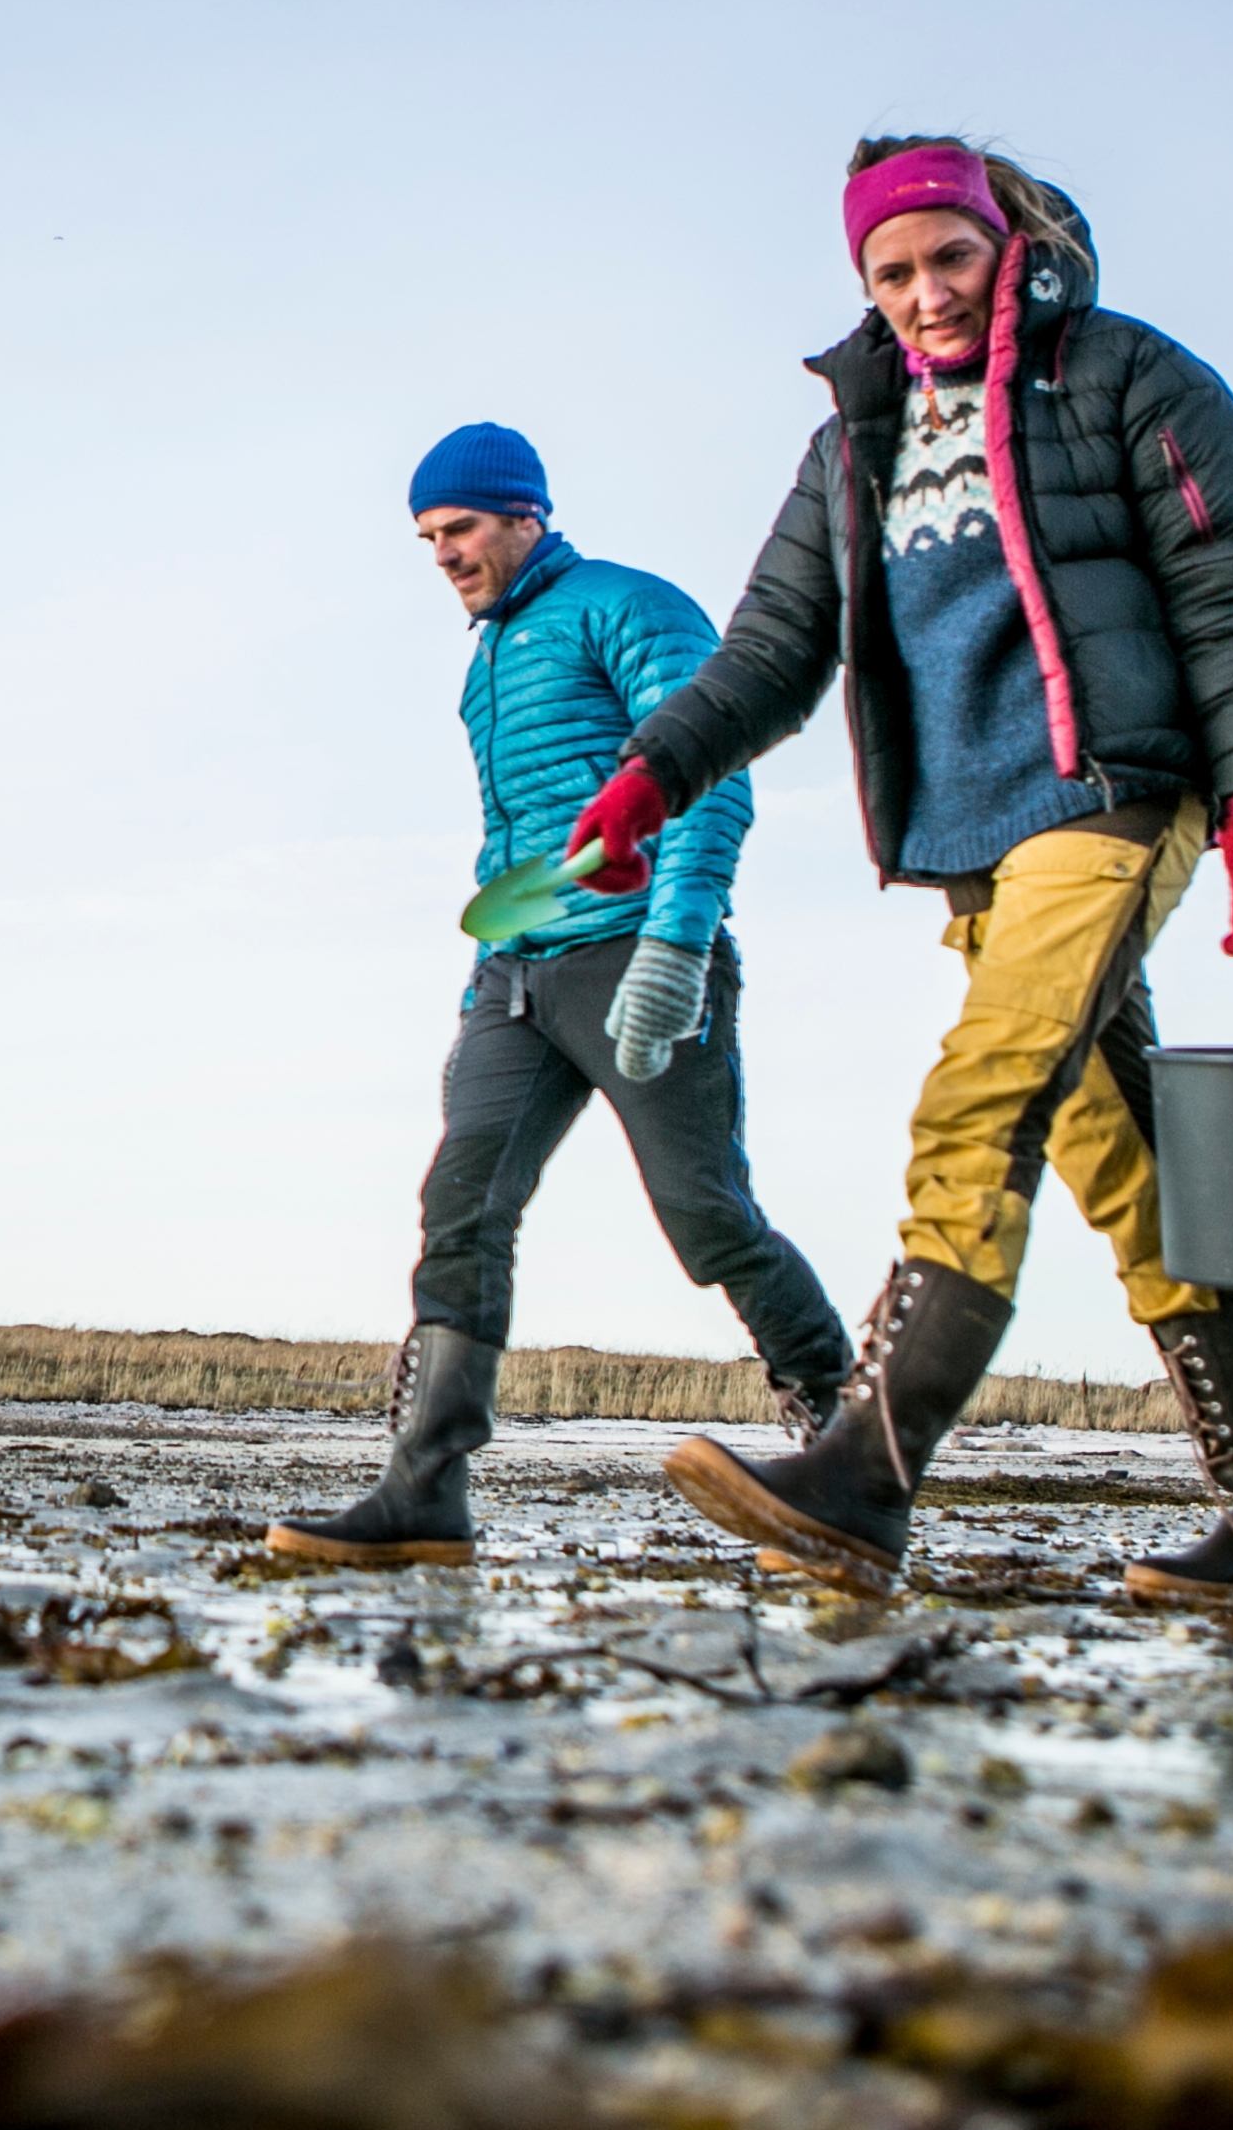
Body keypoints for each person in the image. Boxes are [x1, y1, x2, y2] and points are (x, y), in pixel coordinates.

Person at [561, 140, 1233, 1609]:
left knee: (977, 1103)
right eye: (891, 271)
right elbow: (773, 651)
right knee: (1135, 1175)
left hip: (1108, 803)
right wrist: (654, 772)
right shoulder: (854, 440)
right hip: (975, 850)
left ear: (1007, 244)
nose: (925, 294)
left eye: (949, 259)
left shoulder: (1125, 379)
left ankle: (864, 1474)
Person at [270, 423, 853, 1569]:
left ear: (526, 514)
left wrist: (677, 945)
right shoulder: (483, 662)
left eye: (462, 528)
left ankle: (843, 1430)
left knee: (706, 1214)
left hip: (637, 951)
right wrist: (488, 969)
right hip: (518, 976)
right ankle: (423, 1489)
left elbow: (707, 771)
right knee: (461, 1205)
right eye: (428, 537)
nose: (443, 554)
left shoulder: (624, 606)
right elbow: (515, 841)